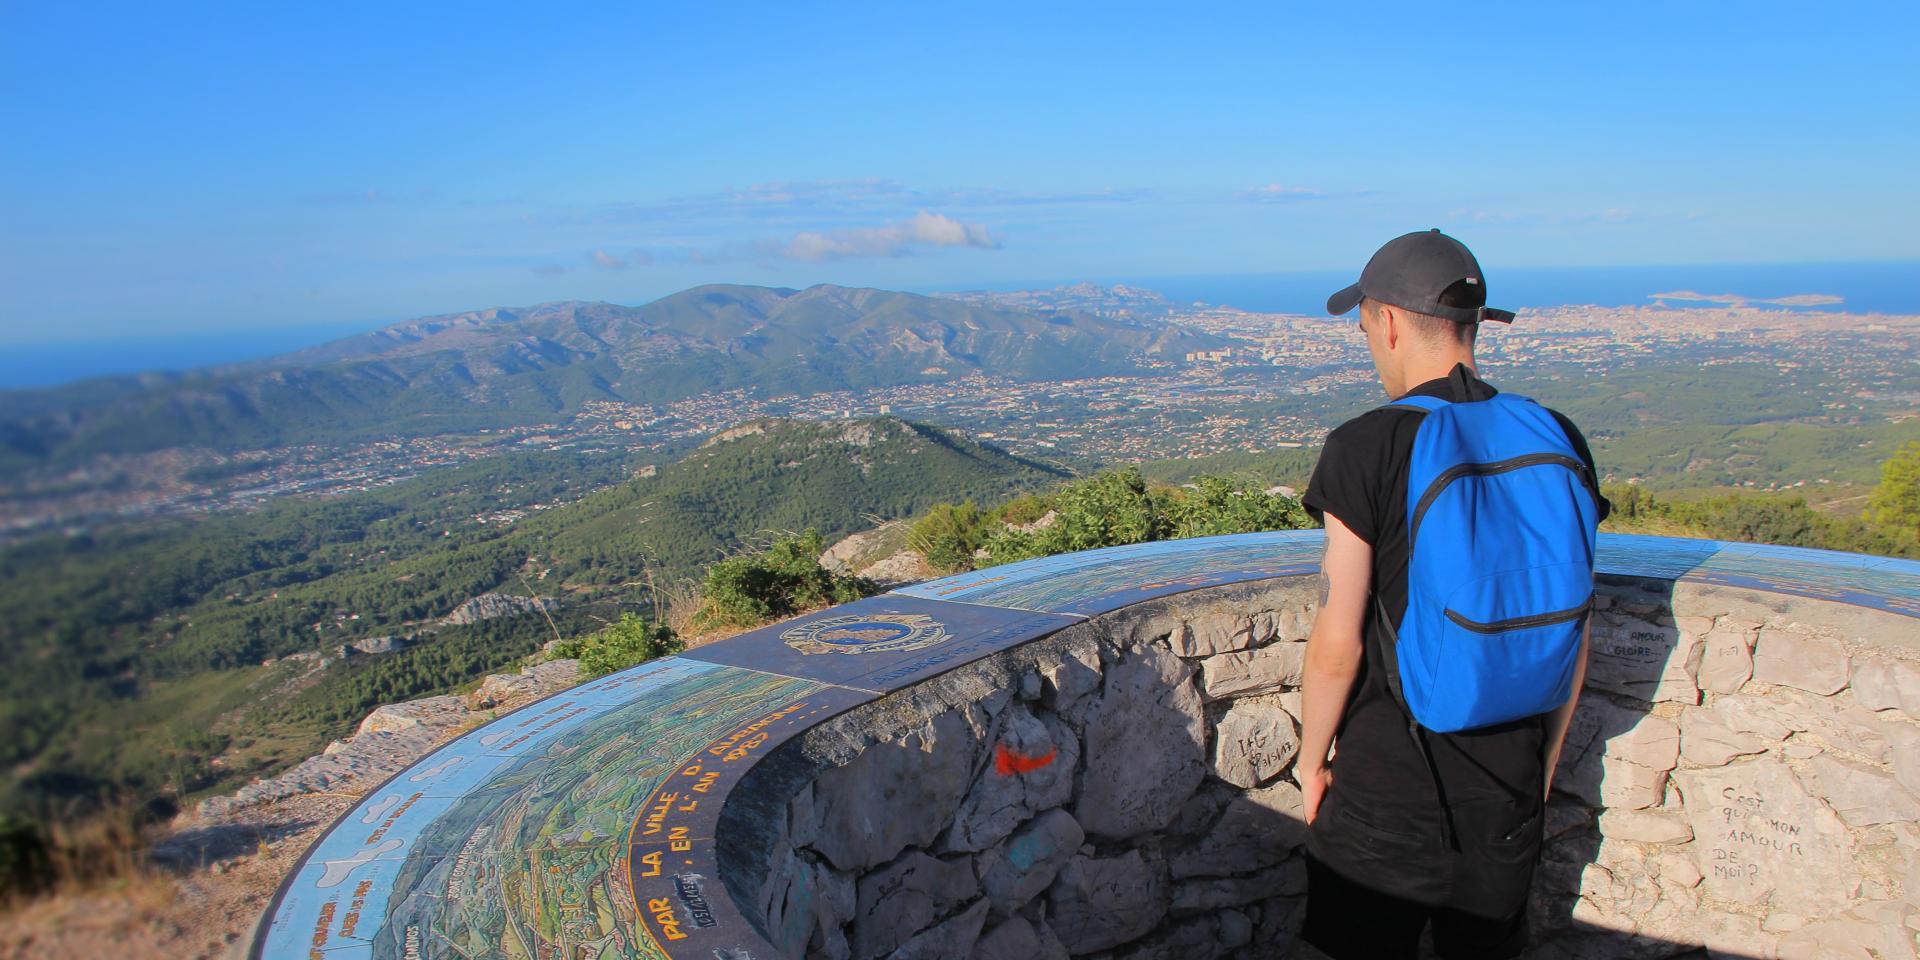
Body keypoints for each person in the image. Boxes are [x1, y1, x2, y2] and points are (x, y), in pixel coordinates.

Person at [1295, 229, 1610, 959]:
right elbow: (1573, 632)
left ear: (1392, 322)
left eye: (1367, 326)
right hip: (1508, 786)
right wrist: (1545, 766)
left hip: (1387, 786)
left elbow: (1338, 642)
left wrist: (1312, 763)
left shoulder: (1366, 445)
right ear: (1472, 327)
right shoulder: (1557, 435)